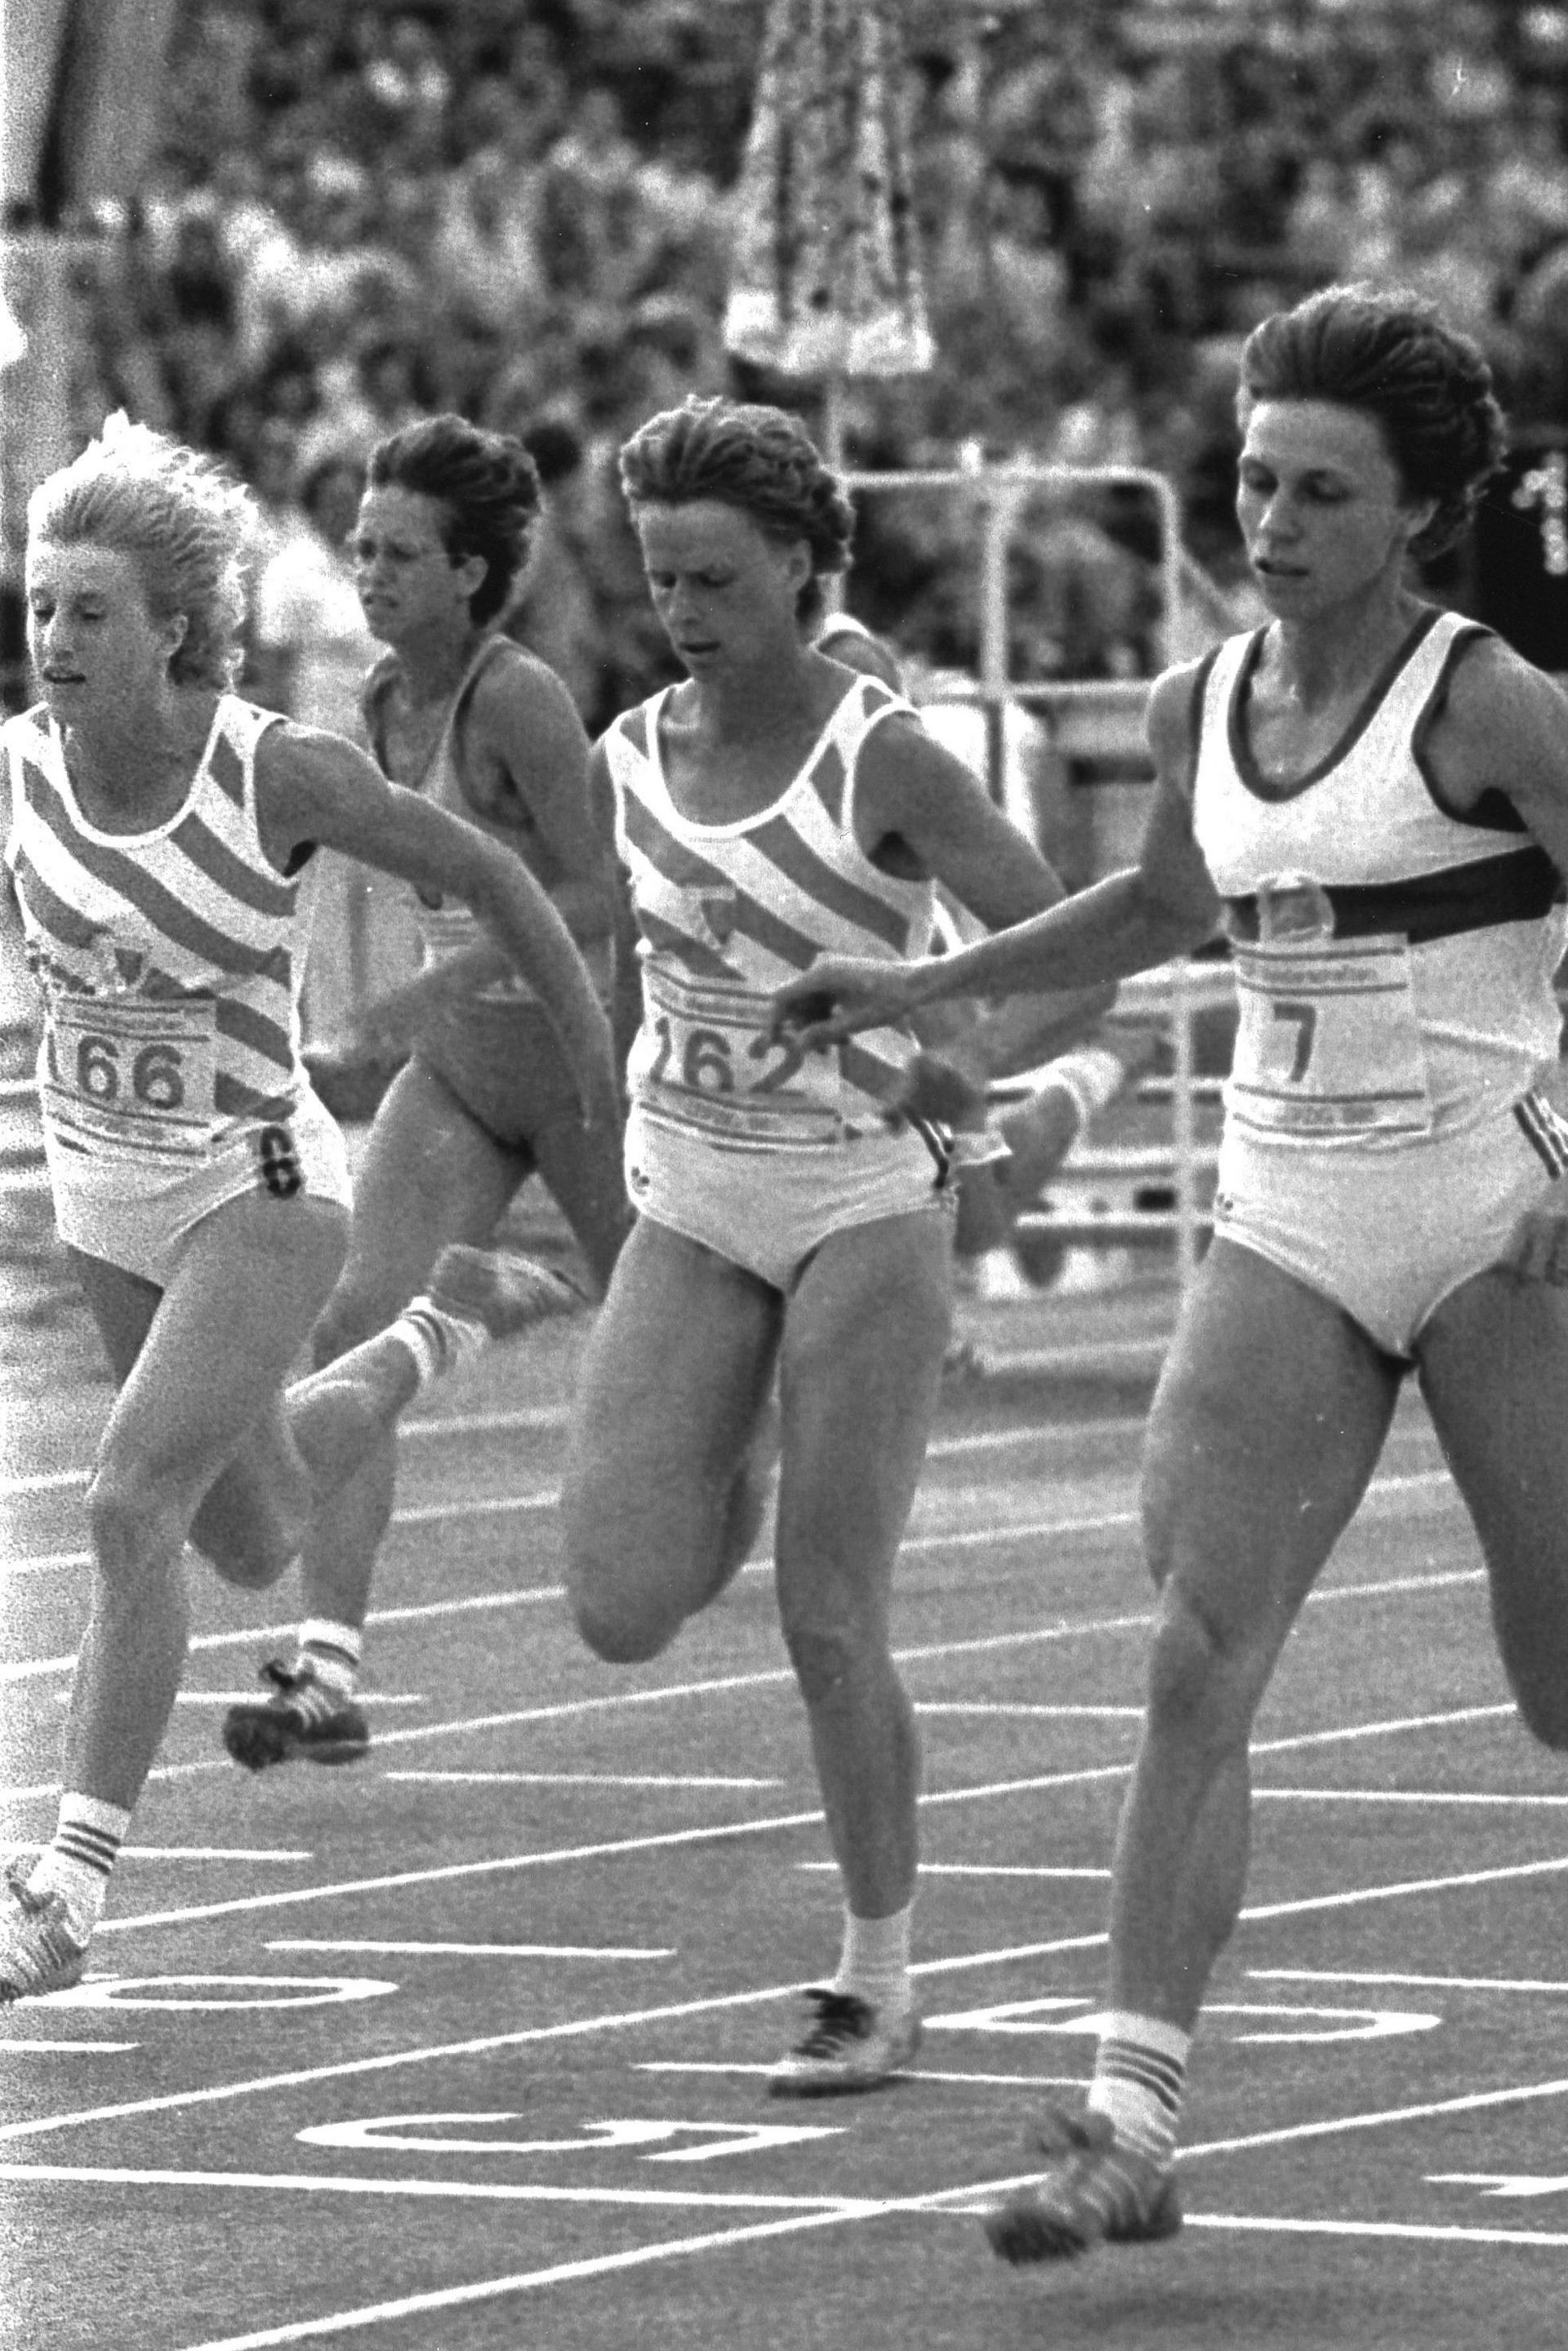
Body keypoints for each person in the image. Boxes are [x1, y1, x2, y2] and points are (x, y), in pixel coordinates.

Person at [771, 283, 1568, 2235]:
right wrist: (924, 976)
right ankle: (1131, 2125)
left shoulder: (1486, 702)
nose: (1273, 520)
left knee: (1559, 1690)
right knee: (1196, 1658)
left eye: (1321, 491)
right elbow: (1158, 906)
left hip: (1497, 1215)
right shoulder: (1195, 701)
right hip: (1292, 1211)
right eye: (1255, 479)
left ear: (1418, 515)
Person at [0, 416, 617, 2000]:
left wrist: (596, 1065)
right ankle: (439, 1330)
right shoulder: (16, 773)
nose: (55, 640)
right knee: (257, 1527)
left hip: (260, 1185)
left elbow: (495, 878)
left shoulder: (272, 770)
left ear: (178, 630)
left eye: (90, 612)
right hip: (101, 1188)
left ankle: (65, 1887)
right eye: (40, 605)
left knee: (129, 1505)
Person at [558, 394, 1109, 2095]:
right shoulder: (631, 751)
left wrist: (982, 1055)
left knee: (825, 1612)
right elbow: (628, 956)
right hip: (697, 1185)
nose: (686, 611)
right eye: (662, 578)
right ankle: (755, 1409)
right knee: (619, 1604)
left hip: (870, 1188)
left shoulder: (887, 754)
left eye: (717, 575)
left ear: (803, 569)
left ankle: (878, 1975)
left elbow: (1083, 943)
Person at [221, 415, 631, 1774]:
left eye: (400, 554)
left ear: (469, 573)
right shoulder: (382, 706)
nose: (372, 572)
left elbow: (590, 896)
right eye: (363, 549)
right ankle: (327, 1666)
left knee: (663, 1363)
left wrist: (402, 1009)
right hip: (461, 1083)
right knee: (351, 1316)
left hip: (579, 1070)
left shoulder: (514, 699)